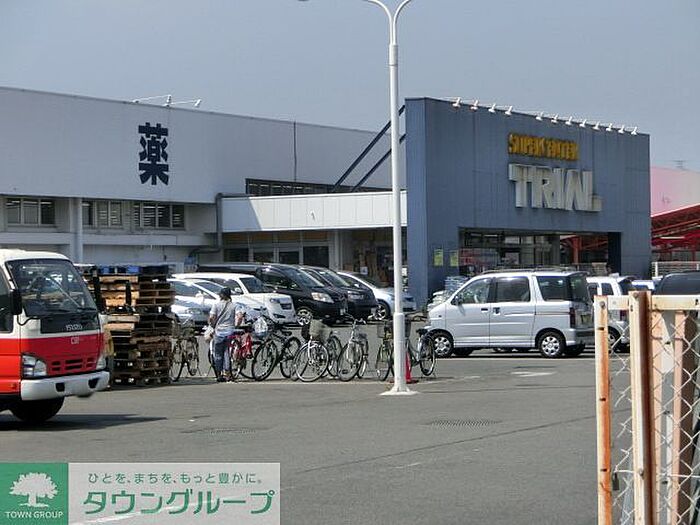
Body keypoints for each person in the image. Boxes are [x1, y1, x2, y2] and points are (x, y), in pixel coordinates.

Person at [208, 287, 245, 382]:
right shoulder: (234, 305)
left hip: (219, 332)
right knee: (226, 352)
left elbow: (211, 318)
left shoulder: (216, 305)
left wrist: (212, 325)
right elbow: (240, 316)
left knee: (218, 354)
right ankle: (227, 373)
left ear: (221, 295)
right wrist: (236, 325)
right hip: (229, 331)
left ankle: (219, 375)